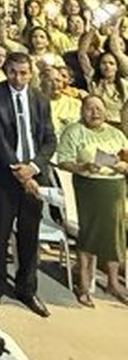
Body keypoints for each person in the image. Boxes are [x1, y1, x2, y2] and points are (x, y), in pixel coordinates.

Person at [0, 52, 56, 318]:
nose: (18, 77)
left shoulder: (40, 99)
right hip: (6, 176)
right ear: (6, 70)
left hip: (34, 176)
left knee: (29, 237)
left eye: (24, 72)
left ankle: (27, 289)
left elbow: (49, 140)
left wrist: (33, 168)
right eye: (13, 72)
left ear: (31, 72)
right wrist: (19, 171)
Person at [55, 95, 128, 306]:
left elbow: (126, 157)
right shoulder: (74, 132)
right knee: (89, 234)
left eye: (99, 108)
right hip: (89, 187)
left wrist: (123, 166)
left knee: (116, 235)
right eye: (89, 108)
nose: (94, 112)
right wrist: (82, 167)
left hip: (115, 187)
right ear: (82, 111)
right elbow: (63, 161)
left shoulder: (116, 134)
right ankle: (84, 284)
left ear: (105, 111)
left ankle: (113, 283)